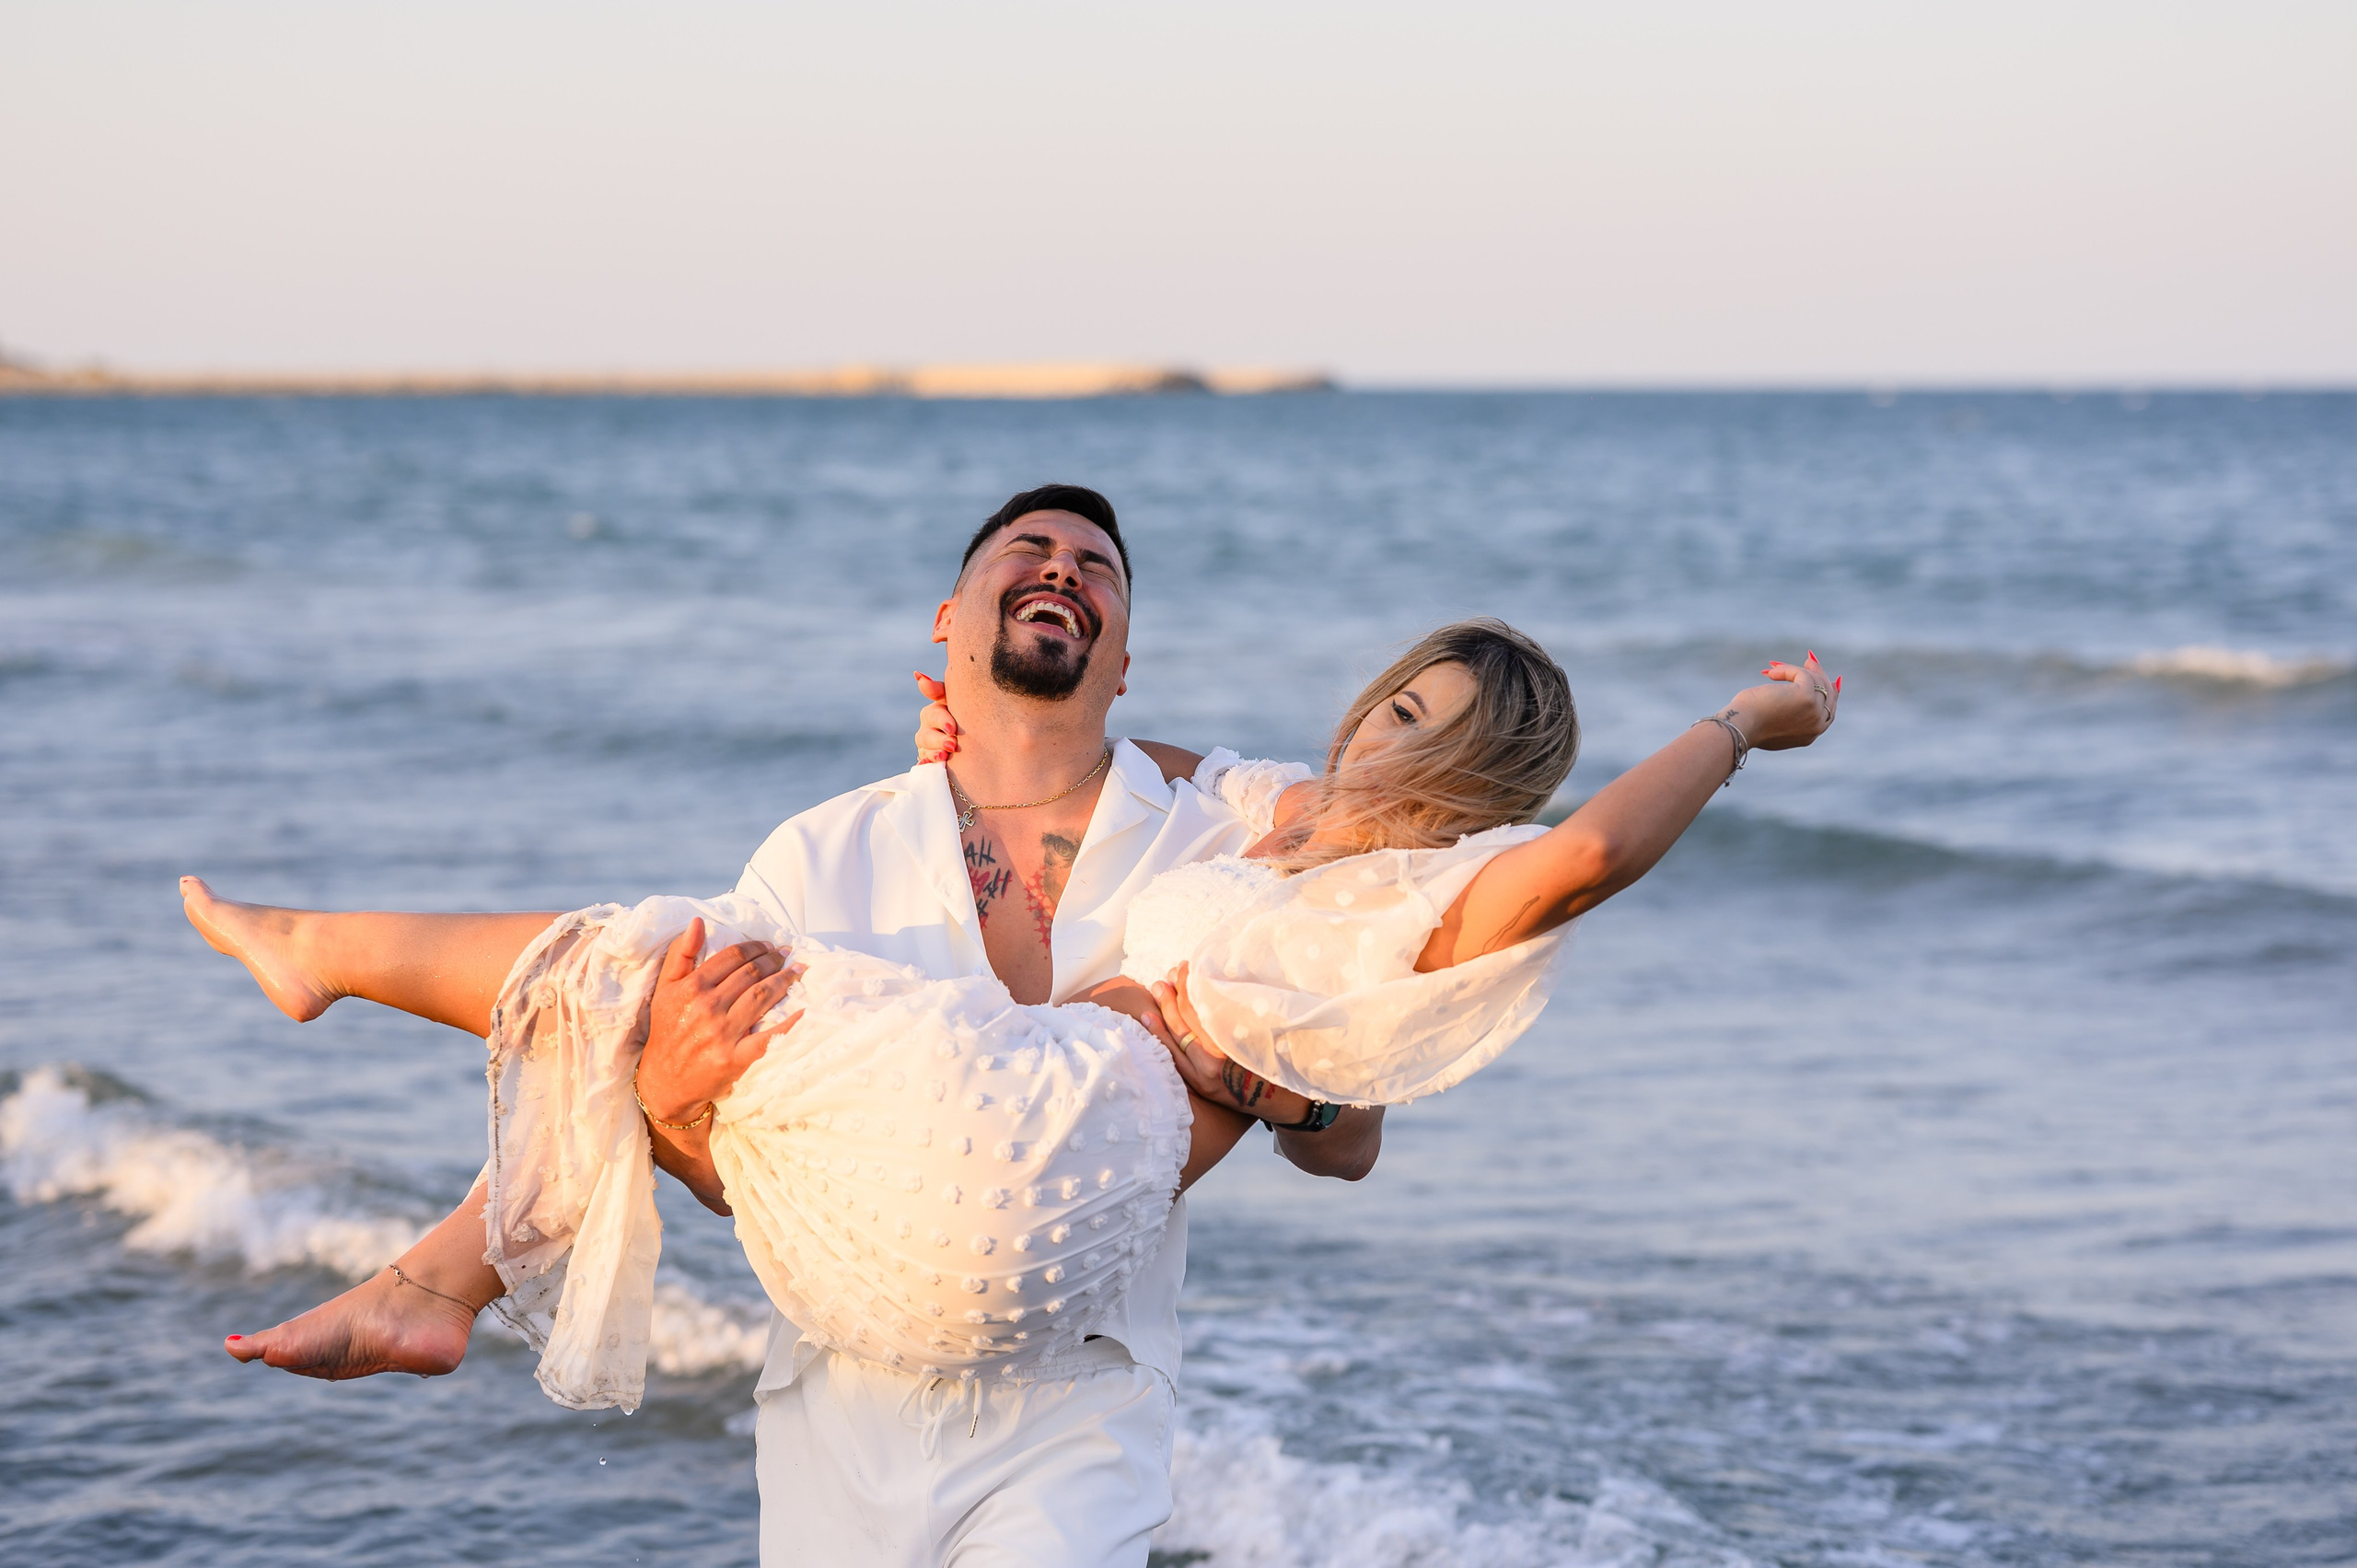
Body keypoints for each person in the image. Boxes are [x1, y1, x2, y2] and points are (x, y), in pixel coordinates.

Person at [185, 484, 1841, 1567]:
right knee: (659, 981)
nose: (1061, 575)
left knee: (636, 951)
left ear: (1126, 651)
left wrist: (1290, 1083)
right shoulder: (829, 850)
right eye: (1024, 562)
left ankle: (357, 1046)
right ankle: (430, 1267)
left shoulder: (1241, 834)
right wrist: (679, 1096)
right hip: (841, 1385)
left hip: (1077, 1382)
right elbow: (711, 1163)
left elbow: (1360, 1128)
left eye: (1097, 573)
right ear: (950, 629)